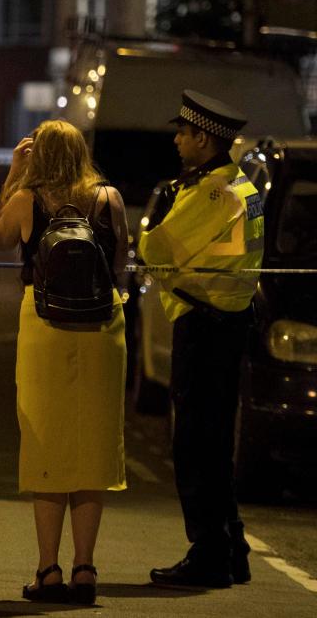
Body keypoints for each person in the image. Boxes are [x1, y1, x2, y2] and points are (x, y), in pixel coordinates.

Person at [0, 119, 128, 605]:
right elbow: (118, 265)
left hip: (45, 324)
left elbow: (1, 239)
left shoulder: (30, 199)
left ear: (39, 154)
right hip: (103, 326)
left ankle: (47, 570)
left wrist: (13, 174)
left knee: (46, 440)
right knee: (92, 445)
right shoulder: (109, 197)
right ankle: (85, 569)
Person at [144, 90, 262, 588]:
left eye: (183, 133)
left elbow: (154, 248)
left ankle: (209, 553)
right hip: (229, 324)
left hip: (205, 325)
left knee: (194, 443)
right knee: (214, 444)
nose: (176, 140)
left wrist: (159, 228)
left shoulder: (212, 193)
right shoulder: (244, 187)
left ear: (204, 138)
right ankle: (231, 548)